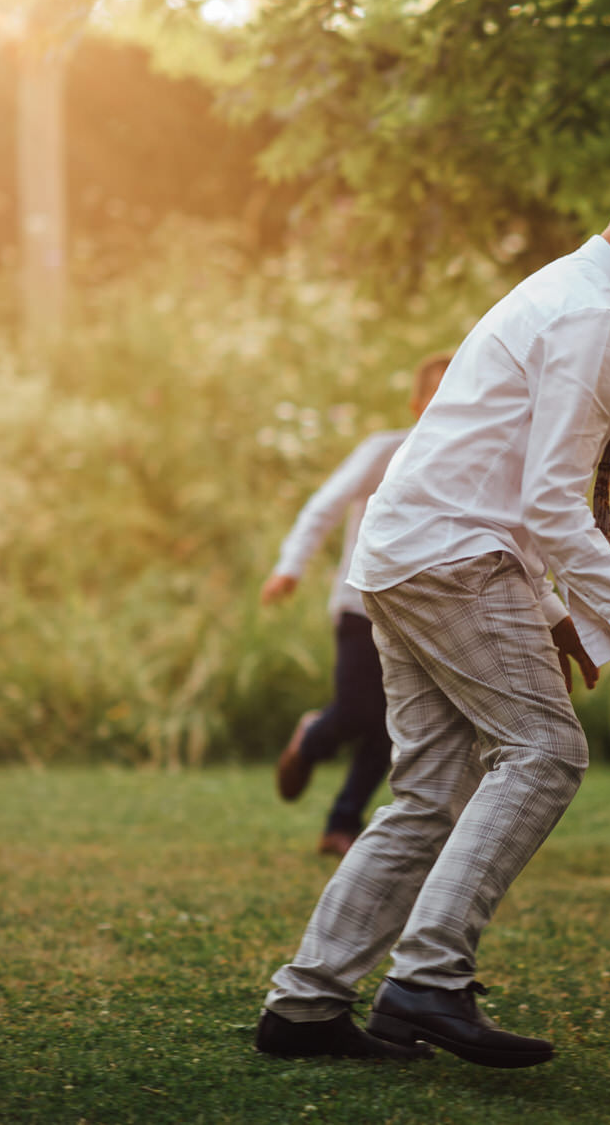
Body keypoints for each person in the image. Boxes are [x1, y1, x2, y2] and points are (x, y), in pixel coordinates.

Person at [253, 139, 610, 1067]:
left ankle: (307, 1007)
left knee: (431, 790)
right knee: (546, 752)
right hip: (454, 558)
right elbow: (549, 500)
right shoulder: (592, 319)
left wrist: (560, 610)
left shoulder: (558, 291)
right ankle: (427, 980)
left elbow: (507, 480)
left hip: (403, 556)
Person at [261, 353, 452, 857]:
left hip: (420, 614)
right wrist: (290, 566)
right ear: (416, 405)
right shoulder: (386, 452)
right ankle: (311, 739)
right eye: (437, 397)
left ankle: (341, 822)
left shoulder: (469, 465)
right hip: (360, 604)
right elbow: (325, 504)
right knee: (358, 710)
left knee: (395, 725)